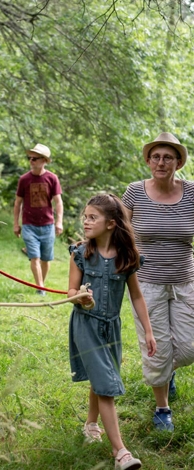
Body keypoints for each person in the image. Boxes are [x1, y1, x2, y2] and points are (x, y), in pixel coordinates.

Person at [68, 194, 156, 470]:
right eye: (85, 216)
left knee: (102, 377)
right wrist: (79, 297)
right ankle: (121, 453)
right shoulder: (80, 254)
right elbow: (71, 291)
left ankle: (91, 423)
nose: (85, 221)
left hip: (111, 328)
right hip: (86, 325)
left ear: (111, 224)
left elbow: (137, 296)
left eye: (92, 217)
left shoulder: (128, 257)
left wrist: (149, 331)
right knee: (106, 385)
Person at [122, 132, 194, 432]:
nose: (161, 162)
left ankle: (167, 371)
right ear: (149, 161)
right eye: (156, 157)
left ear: (178, 162)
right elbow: (118, 230)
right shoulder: (134, 192)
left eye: (168, 157)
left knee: (189, 347)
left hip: (185, 281)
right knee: (156, 348)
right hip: (146, 283)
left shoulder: (192, 192)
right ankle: (162, 408)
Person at [13, 143, 63, 295]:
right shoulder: (24, 179)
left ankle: (41, 285)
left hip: (48, 225)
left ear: (44, 160)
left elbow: (58, 202)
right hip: (29, 225)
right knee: (34, 257)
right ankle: (41, 288)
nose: (31, 161)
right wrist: (16, 223)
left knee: (46, 259)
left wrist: (59, 222)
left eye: (35, 158)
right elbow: (17, 203)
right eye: (30, 158)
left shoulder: (52, 178)